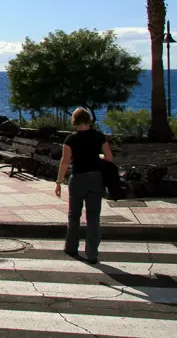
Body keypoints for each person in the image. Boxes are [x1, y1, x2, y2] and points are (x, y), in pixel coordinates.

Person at [56, 107, 113, 264]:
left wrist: (59, 181)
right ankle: (92, 253)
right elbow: (108, 157)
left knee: (74, 215)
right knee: (93, 217)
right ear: (88, 120)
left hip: (78, 178)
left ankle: (71, 246)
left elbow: (65, 162)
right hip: (95, 178)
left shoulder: (70, 140)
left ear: (74, 121)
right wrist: (97, 157)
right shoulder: (99, 137)